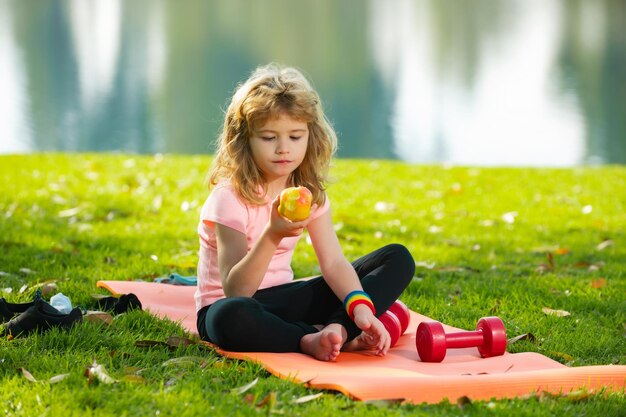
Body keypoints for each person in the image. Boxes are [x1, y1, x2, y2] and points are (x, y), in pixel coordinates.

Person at [195, 63, 415, 361]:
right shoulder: (229, 198)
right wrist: (272, 235)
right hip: (233, 308)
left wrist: (360, 308)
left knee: (397, 258)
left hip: (285, 301)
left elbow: (334, 262)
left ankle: (338, 330)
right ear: (244, 140)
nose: (283, 148)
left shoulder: (307, 192)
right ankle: (306, 338)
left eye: (295, 137)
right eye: (269, 138)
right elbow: (236, 290)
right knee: (228, 315)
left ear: (311, 136)